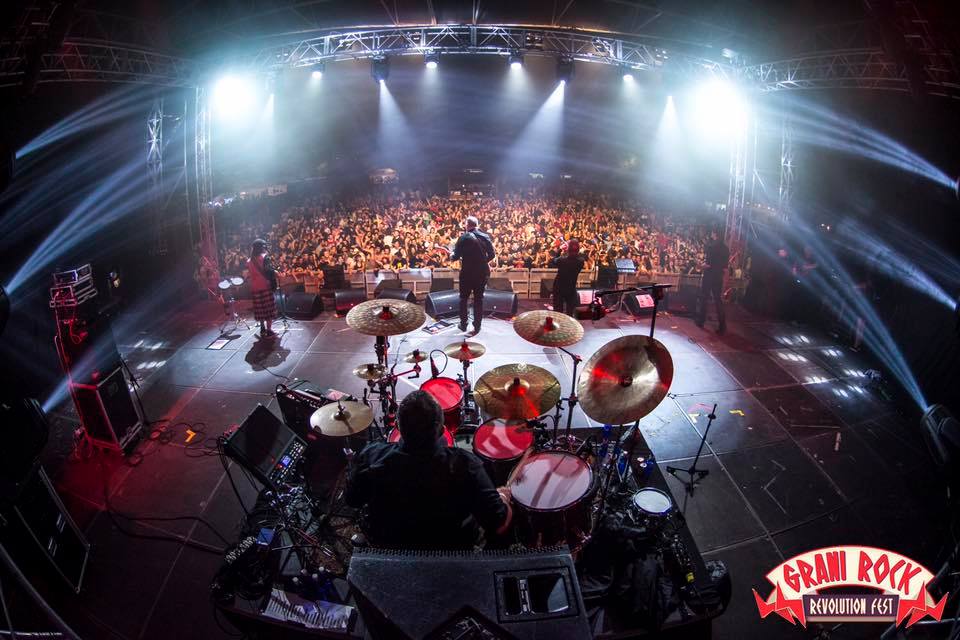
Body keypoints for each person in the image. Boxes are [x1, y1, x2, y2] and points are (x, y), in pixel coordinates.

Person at [345, 391, 512, 549]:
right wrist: (503, 496)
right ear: (442, 430)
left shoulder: (371, 457)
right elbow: (498, 521)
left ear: (397, 426)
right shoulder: (467, 465)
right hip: (451, 548)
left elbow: (352, 500)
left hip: (389, 546)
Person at [450, 215, 496, 334]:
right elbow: (492, 255)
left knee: (463, 299)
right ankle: (477, 326)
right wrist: (482, 261)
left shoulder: (463, 238)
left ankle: (463, 324)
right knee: (478, 300)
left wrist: (451, 255)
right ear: (477, 225)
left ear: (467, 225)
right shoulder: (485, 236)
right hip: (481, 273)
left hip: (467, 273)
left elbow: (455, 257)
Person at [695, 227, 729, 334]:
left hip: (709, 276)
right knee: (718, 300)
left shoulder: (711, 247)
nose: (711, 234)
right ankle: (723, 326)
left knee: (704, 297)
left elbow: (708, 264)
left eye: (712, 233)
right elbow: (725, 267)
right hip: (718, 276)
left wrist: (700, 265)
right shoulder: (726, 249)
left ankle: (701, 321)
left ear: (715, 234)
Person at [246, 238, 278, 337]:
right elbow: (269, 271)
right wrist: (276, 272)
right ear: (262, 247)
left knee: (260, 310)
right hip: (265, 287)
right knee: (269, 309)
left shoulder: (249, 261)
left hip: (255, 288)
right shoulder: (265, 257)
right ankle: (269, 330)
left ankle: (262, 328)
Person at [550, 239, 585, 317]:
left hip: (559, 288)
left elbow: (553, 260)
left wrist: (560, 250)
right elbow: (576, 256)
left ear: (568, 249)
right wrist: (569, 251)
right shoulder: (581, 261)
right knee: (570, 312)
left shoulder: (561, 260)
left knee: (558, 311)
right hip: (571, 288)